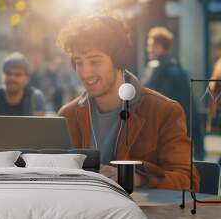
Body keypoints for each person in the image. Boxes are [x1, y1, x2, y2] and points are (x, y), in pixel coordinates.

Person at [56, 14, 199, 191]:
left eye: (95, 61)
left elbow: (188, 181)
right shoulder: (67, 116)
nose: (85, 73)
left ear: (119, 60)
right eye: (78, 62)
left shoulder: (164, 111)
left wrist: (137, 179)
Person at [145, 27, 204, 160]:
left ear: (159, 46)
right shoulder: (177, 67)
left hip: (169, 129)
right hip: (188, 124)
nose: (148, 49)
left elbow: (143, 97)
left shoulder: (157, 68)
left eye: (150, 45)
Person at [0, 52, 46, 140]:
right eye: (8, 74)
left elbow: (38, 135)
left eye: (18, 74)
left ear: (27, 79)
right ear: (3, 76)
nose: (12, 78)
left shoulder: (35, 98)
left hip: (25, 150)